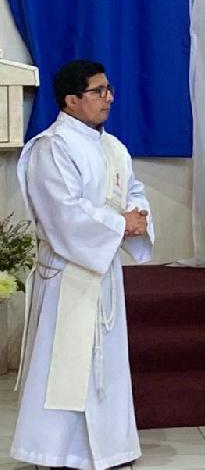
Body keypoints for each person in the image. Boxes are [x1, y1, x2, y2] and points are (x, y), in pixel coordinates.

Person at [12, 60, 154, 470]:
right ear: (71, 100)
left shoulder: (112, 146)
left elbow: (134, 190)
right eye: (98, 91)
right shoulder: (51, 148)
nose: (108, 98)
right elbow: (64, 213)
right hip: (67, 273)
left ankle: (108, 449)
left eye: (109, 89)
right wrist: (120, 224)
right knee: (64, 368)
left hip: (102, 269)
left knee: (104, 366)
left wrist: (137, 216)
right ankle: (55, 451)